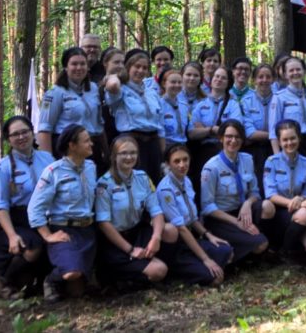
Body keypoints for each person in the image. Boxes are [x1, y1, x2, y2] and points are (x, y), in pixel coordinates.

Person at [27, 125, 98, 303]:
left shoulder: (91, 167)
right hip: (64, 231)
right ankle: (51, 280)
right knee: (71, 273)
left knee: (78, 292)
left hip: (88, 231)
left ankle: (83, 275)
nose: (91, 143)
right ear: (72, 146)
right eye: (86, 140)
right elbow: (34, 208)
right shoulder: (53, 172)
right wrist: (48, 236)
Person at [0, 116, 55, 299]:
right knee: (33, 247)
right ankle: (4, 283)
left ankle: (45, 282)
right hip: (13, 219)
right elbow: (0, 205)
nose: (21, 137)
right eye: (15, 134)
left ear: (33, 133)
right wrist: (11, 236)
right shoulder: (3, 167)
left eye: (25, 131)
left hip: (43, 215)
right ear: (8, 139)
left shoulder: (47, 159)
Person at [94, 135, 168, 289]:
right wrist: (130, 249)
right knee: (159, 270)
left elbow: (156, 211)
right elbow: (103, 223)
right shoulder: (104, 184)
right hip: (115, 241)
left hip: (136, 232)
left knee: (170, 231)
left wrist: (156, 238)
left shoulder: (142, 178)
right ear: (114, 156)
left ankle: (147, 270)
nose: (129, 157)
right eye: (123, 153)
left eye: (133, 153)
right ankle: (118, 278)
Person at [155, 144, 232, 286]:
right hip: (178, 245)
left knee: (225, 250)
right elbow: (181, 228)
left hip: (192, 239)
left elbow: (192, 219)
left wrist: (209, 235)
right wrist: (205, 259)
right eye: (176, 161)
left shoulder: (186, 180)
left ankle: (196, 265)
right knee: (214, 278)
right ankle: (177, 272)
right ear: (168, 164)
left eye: (185, 159)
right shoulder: (165, 189)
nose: (182, 165)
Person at [200, 119, 274, 262]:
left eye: (237, 137)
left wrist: (247, 204)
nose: (233, 140)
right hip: (221, 218)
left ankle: (259, 243)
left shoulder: (247, 159)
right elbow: (207, 207)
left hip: (242, 211)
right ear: (221, 138)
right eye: (229, 136)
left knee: (267, 206)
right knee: (260, 244)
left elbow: (254, 191)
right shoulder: (211, 167)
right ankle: (243, 252)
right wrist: (236, 222)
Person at [38, 47, 108, 174]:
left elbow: (98, 123)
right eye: (74, 64)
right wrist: (48, 163)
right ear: (66, 67)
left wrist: (106, 151)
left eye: (82, 64)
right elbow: (44, 129)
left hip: (92, 148)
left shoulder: (92, 89)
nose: (79, 68)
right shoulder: (56, 93)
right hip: (68, 149)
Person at [263, 121, 306, 264]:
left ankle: (290, 249)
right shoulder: (271, 162)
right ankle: (284, 252)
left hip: (298, 214)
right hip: (278, 213)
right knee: (305, 213)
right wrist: (291, 202)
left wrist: (303, 200)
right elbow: (270, 195)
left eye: (293, 138)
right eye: (285, 139)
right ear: (279, 141)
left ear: (299, 139)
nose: (289, 143)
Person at [105, 50, 164, 183]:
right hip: (131, 142)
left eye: (144, 68)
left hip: (153, 142)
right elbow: (112, 85)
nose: (140, 70)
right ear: (128, 67)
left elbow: (159, 124)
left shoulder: (151, 92)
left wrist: (162, 152)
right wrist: (118, 75)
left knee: (155, 181)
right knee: (135, 182)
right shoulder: (121, 90)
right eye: (137, 66)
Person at [188, 65, 244, 195]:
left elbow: (235, 130)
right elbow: (192, 133)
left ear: (228, 83)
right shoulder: (200, 105)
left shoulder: (233, 105)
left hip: (224, 151)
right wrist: (212, 129)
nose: (219, 79)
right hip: (202, 152)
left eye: (223, 78)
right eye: (216, 76)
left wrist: (204, 129)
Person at [268, 57, 306, 159]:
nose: (295, 73)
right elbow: (273, 131)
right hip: (288, 146)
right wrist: (277, 157)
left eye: (298, 69)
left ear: (304, 72)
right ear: (285, 74)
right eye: (291, 70)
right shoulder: (279, 98)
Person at [239, 63, 275, 185]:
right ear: (254, 80)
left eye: (268, 77)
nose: (264, 80)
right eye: (260, 77)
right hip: (253, 149)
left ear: (273, 79)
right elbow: (250, 133)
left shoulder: (280, 99)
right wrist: (274, 135)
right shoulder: (246, 101)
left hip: (275, 148)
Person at [159, 68, 188, 146]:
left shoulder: (184, 106)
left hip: (183, 146)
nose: (177, 85)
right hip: (166, 146)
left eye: (179, 82)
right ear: (164, 84)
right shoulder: (159, 105)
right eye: (173, 82)